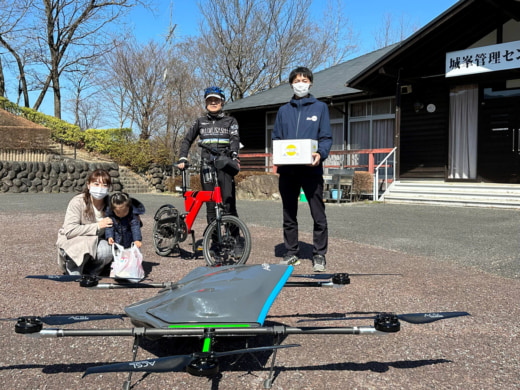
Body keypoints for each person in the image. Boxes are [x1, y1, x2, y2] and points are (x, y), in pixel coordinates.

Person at [272, 66, 332, 272]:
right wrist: (278, 154)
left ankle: (319, 254)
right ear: (291, 84)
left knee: (318, 213)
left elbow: (326, 137)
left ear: (311, 83)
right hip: (288, 171)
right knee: (289, 212)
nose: (300, 84)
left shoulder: (320, 108)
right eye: (297, 80)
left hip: (311, 170)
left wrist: (320, 154)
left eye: (304, 80)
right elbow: (277, 138)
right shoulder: (283, 111)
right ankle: (291, 252)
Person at [177, 86, 241, 224]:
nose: (213, 103)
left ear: (222, 102)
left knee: (228, 202)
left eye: (216, 100)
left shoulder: (230, 121)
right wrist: (183, 157)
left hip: (224, 164)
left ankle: (234, 238)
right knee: (210, 205)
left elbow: (234, 140)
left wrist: (234, 156)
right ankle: (214, 240)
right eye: (210, 100)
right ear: (206, 103)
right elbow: (187, 140)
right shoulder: (200, 121)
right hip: (206, 166)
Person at [56, 169, 114, 275]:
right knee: (83, 246)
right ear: (88, 185)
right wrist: (97, 226)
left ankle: (91, 272)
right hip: (74, 241)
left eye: (104, 185)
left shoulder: (112, 204)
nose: (100, 188)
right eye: (96, 184)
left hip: (96, 242)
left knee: (106, 251)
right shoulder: (77, 202)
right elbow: (70, 230)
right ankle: (72, 270)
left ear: (108, 188)